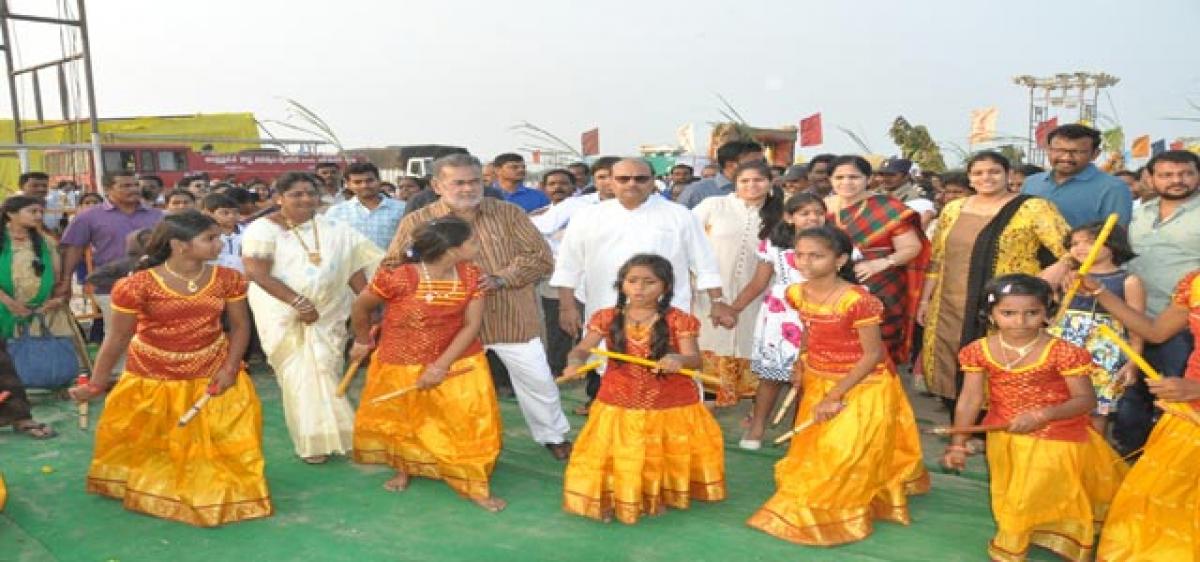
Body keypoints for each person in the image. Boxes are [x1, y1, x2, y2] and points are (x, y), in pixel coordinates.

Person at [68, 211, 272, 526]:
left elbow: (241, 326)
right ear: (179, 245)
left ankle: (214, 480)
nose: (220, 244)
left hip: (212, 367)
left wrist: (231, 368)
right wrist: (96, 383)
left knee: (226, 430)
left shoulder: (228, 278)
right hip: (152, 371)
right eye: (210, 238)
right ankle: (157, 486)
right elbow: (118, 337)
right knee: (154, 439)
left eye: (218, 237)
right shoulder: (136, 285)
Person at [746, 226, 928, 546]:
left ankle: (839, 514)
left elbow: (872, 355)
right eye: (799, 255)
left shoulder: (858, 301)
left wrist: (834, 395)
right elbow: (809, 331)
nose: (805, 262)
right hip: (818, 380)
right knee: (820, 452)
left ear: (840, 259)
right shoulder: (796, 292)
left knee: (844, 452)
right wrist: (801, 364)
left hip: (862, 385)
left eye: (816, 256)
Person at [384, 154, 572, 460]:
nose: (468, 189)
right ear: (437, 185)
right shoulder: (418, 221)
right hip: (448, 327)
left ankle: (552, 435)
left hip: (510, 317)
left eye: (475, 181)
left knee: (538, 380)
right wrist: (436, 278)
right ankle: (442, 443)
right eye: (458, 182)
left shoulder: (508, 213)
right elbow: (394, 265)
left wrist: (502, 279)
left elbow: (540, 257)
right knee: (448, 389)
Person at [943, 274, 1126, 561]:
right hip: (1004, 434)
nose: (1020, 322)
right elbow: (970, 398)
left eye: (1032, 313)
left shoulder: (1065, 353)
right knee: (1015, 491)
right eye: (1008, 313)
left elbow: (1086, 400)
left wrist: (1044, 415)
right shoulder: (978, 350)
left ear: (1047, 313)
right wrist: (957, 442)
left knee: (1025, 497)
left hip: (1057, 434)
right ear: (990, 314)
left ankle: (1011, 548)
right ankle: (1036, 529)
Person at [550, 158, 730, 416]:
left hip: (665, 315)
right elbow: (569, 264)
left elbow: (704, 262)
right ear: (610, 181)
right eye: (623, 178)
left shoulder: (679, 215)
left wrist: (718, 300)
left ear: (653, 181)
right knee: (611, 371)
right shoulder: (587, 216)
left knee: (670, 374)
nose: (631, 184)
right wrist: (567, 307)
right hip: (607, 309)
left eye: (640, 178)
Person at [349, 217, 505, 513]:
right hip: (400, 360)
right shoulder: (398, 277)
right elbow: (361, 306)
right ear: (451, 249)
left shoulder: (472, 275)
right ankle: (406, 466)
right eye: (472, 241)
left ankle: (472, 482)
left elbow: (472, 325)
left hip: (459, 360)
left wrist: (440, 366)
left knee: (467, 420)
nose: (478, 245)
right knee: (406, 419)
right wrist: (361, 340)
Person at [560, 254, 725, 524]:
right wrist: (574, 362)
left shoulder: (679, 320)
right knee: (620, 452)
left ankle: (654, 494)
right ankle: (622, 495)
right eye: (632, 281)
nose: (639, 288)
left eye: (649, 282)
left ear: (666, 288)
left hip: (667, 401)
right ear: (621, 284)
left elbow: (694, 360)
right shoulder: (606, 317)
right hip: (618, 398)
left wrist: (678, 360)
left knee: (658, 452)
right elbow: (581, 349)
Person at [242, 172, 382, 464]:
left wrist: (370, 304)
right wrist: (298, 302)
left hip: (329, 313)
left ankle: (343, 435)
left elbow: (355, 268)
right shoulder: (262, 229)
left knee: (327, 369)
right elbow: (257, 272)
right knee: (299, 376)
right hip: (283, 313)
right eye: (296, 194)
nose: (306, 199)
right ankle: (313, 442)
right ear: (278, 198)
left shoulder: (335, 228)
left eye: (311, 193)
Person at [918, 151, 1069, 416]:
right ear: (970, 178)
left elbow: (1071, 247)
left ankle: (994, 425)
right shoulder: (953, 209)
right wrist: (925, 300)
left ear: (1009, 176)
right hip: (950, 302)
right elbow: (938, 258)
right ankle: (962, 425)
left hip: (1008, 302)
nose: (986, 178)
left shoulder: (1033, 207)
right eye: (978, 173)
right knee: (951, 359)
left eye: (994, 172)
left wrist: (1059, 268)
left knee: (1002, 359)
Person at [1080, 267, 1200, 560]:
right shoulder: (1195, 283)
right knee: (1152, 507)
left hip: (1191, 398)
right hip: (1187, 414)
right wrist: (1100, 291)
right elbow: (1156, 332)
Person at [1115, 149, 1200, 455]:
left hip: (1183, 326)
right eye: (1166, 174)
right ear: (1150, 178)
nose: (1177, 180)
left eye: (1186, 173)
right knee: (1133, 398)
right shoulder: (1140, 215)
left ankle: (1168, 465)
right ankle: (1132, 462)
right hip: (1136, 320)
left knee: (1175, 400)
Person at [728, 193, 828, 448]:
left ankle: (801, 434)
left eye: (818, 212)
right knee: (771, 377)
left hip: (821, 314)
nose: (813, 217)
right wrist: (734, 309)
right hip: (781, 316)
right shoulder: (774, 245)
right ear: (789, 217)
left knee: (810, 378)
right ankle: (757, 427)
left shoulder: (836, 243)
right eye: (805, 213)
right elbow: (758, 283)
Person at [692, 162, 783, 407]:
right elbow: (689, 241)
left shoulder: (780, 214)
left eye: (758, 180)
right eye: (745, 181)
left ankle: (752, 409)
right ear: (735, 183)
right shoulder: (714, 206)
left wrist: (736, 306)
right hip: (709, 292)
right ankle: (704, 405)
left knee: (750, 341)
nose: (752, 186)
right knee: (708, 341)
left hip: (757, 294)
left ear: (770, 183)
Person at [827, 155, 929, 364]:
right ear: (830, 180)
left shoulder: (888, 207)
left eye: (854, 177)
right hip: (831, 284)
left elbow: (912, 247)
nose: (846, 182)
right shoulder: (822, 207)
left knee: (876, 348)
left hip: (881, 285)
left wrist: (880, 263)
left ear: (868, 179)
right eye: (839, 177)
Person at [58, 172, 164, 367]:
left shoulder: (157, 215)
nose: (133, 189)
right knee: (118, 336)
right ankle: (117, 378)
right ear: (107, 190)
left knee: (154, 334)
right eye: (125, 186)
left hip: (156, 287)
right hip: (111, 287)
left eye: (134, 185)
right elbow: (74, 249)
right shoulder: (89, 217)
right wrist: (65, 280)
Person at [1055, 222, 1143, 433]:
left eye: (1090, 242)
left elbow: (1137, 326)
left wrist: (1134, 361)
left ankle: (1094, 457)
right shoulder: (1068, 277)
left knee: (1097, 409)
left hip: (1104, 352)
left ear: (1112, 244)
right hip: (1065, 345)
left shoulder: (1128, 281)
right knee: (1058, 400)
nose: (1080, 248)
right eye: (1074, 243)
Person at [1021, 124, 1133, 228]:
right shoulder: (1031, 183)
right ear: (1048, 150)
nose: (1066, 157)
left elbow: (1116, 235)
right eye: (1059, 150)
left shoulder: (1113, 188)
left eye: (1077, 152)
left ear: (1095, 154)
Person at [324, 162, 405, 251]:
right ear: (348, 184)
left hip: (391, 264)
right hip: (351, 264)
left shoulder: (401, 209)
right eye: (357, 182)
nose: (365, 185)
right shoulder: (336, 212)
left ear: (379, 180)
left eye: (370, 181)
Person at [676, 140, 764, 209]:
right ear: (731, 165)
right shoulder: (697, 191)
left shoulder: (765, 190)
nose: (762, 166)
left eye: (762, 162)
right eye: (755, 162)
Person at [875, 158, 936, 229]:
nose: (885, 178)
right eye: (882, 174)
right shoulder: (879, 193)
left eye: (891, 175)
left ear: (906, 176)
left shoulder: (917, 197)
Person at [200, 193, 244, 273]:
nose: (231, 216)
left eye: (235, 212)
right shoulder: (204, 235)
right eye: (225, 213)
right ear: (209, 213)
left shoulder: (248, 232)